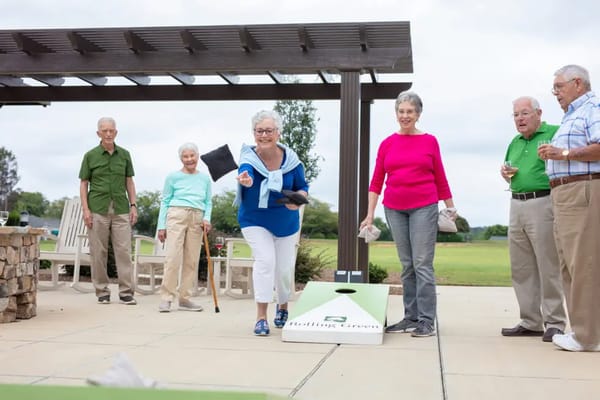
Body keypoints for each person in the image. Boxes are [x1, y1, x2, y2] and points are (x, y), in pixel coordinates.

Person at [360, 91, 456, 338]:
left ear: (418, 114)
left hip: (424, 206)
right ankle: (410, 317)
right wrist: (369, 215)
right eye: (401, 111)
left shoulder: (429, 141)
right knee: (406, 265)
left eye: (410, 112)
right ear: (396, 113)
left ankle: (426, 320)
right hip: (394, 208)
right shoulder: (387, 143)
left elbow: (440, 176)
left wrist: (450, 206)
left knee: (422, 263)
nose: (405, 116)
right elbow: (376, 182)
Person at [538, 64, 600, 352]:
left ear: (578, 83)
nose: (556, 93)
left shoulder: (593, 107)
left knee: (584, 264)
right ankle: (580, 331)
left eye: (559, 87)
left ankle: (588, 337)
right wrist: (551, 158)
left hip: (582, 190)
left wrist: (561, 153)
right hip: (564, 193)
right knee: (569, 265)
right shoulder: (570, 116)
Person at [234, 110, 308, 336]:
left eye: (268, 131)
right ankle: (261, 317)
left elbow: (303, 187)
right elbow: (244, 173)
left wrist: (299, 201)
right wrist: (244, 181)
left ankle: (283, 306)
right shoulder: (248, 159)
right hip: (254, 219)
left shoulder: (292, 161)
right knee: (265, 261)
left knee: (284, 269)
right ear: (253, 133)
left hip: (286, 221)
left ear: (278, 133)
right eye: (259, 131)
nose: (264, 135)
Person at [500, 96, 567, 342]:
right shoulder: (515, 142)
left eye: (525, 113)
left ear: (539, 113)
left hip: (543, 202)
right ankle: (530, 321)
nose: (520, 119)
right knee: (521, 266)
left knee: (548, 265)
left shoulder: (555, 132)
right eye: (516, 115)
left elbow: (565, 160)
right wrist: (505, 173)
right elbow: (511, 171)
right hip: (516, 202)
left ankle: (555, 322)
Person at [79, 117, 137, 305]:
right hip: (97, 209)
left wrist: (133, 205)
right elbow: (84, 184)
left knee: (124, 251)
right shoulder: (90, 156)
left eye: (111, 130)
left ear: (116, 132)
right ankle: (102, 291)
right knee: (98, 252)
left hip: (121, 208)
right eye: (104, 130)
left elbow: (129, 181)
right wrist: (86, 210)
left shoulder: (125, 155)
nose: (108, 133)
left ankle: (126, 292)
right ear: (99, 133)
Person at [156, 143, 212, 313]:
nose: (189, 160)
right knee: (172, 258)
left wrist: (207, 218)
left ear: (197, 156)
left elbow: (208, 201)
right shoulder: (173, 177)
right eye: (185, 157)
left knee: (191, 260)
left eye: (192, 156)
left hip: (197, 217)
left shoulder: (204, 179)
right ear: (181, 159)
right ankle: (166, 297)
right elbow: (165, 201)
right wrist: (161, 226)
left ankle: (185, 298)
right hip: (177, 215)